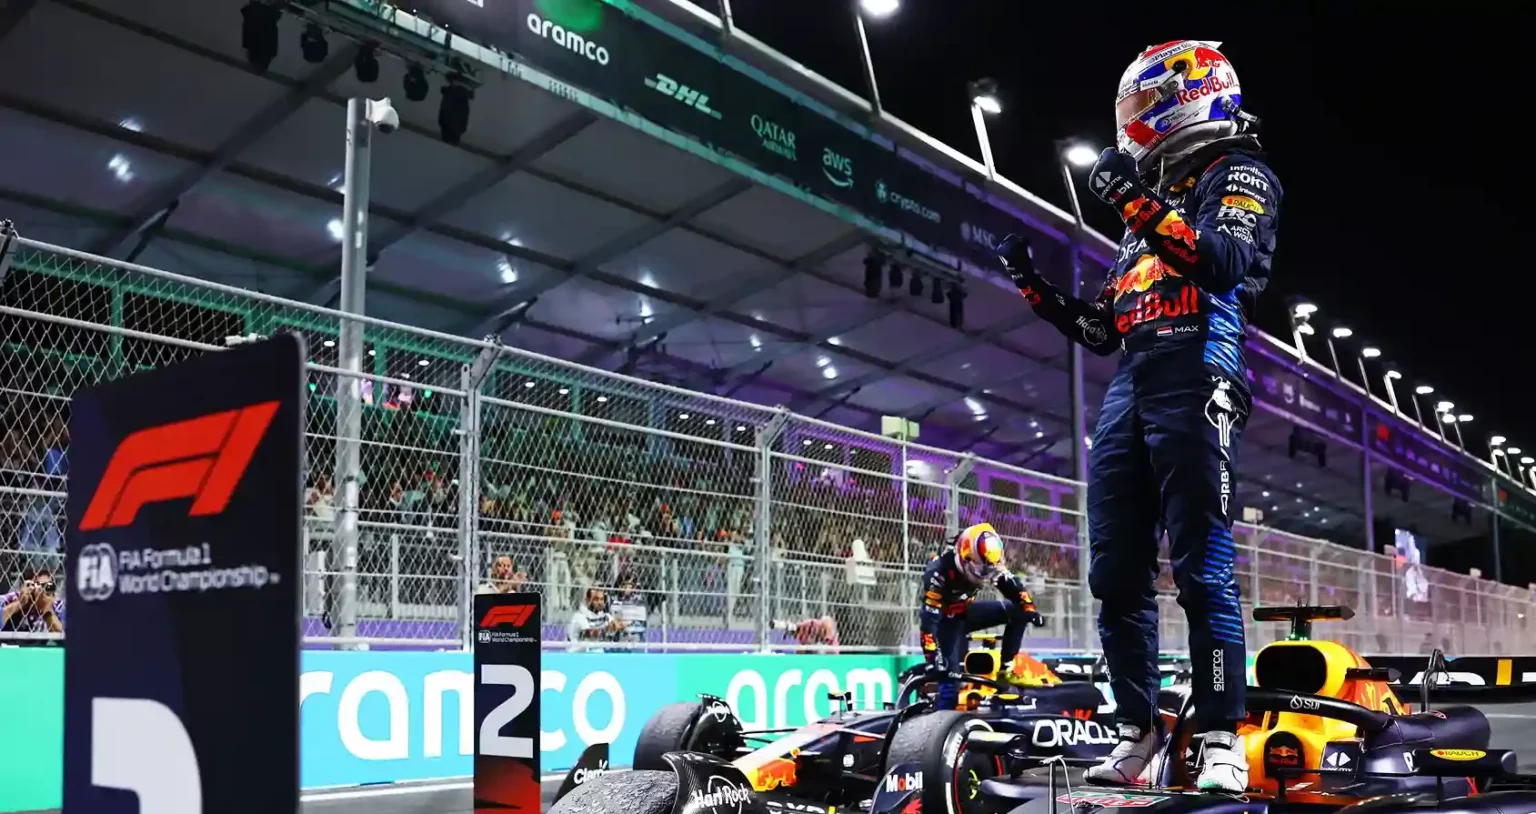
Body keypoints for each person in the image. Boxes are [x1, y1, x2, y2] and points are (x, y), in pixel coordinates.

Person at [994, 40, 1280, 793]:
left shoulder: (1238, 172)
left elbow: (1218, 261)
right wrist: (1030, 283)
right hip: (1133, 383)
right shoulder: (1140, 223)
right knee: (1114, 574)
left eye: (1142, 106)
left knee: (1201, 568)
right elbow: (1101, 329)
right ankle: (1139, 728)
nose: (1132, 123)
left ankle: (1221, 736)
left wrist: (1131, 199)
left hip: (1200, 371)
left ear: (1186, 97)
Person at [919, 522, 1044, 710]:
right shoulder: (938, 573)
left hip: (966, 612)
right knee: (950, 687)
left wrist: (1030, 608)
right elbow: (929, 623)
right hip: (945, 624)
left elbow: (1011, 585)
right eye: (982, 570)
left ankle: (1006, 669)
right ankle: (937, 730)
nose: (986, 576)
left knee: (1019, 611)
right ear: (965, 557)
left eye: (989, 570)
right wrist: (932, 657)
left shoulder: (985, 560)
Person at [1, 568, 65, 640]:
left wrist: (47, 610)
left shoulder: (58, 605)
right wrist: (19, 603)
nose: (41, 590)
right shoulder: (11, 598)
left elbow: (65, 637)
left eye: (47, 586)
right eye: (37, 584)